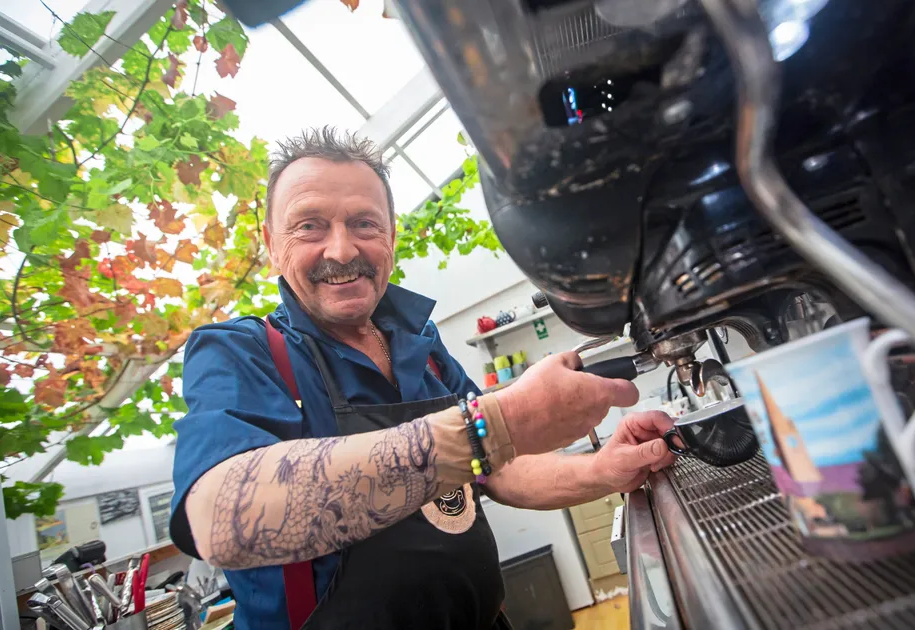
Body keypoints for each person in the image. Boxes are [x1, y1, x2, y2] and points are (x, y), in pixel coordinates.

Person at [169, 126, 678, 630]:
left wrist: (603, 469)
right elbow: (223, 518)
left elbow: (495, 469)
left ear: (391, 234)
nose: (342, 250)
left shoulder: (422, 344)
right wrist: (498, 423)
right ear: (271, 244)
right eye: (309, 226)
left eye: (364, 224)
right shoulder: (243, 352)